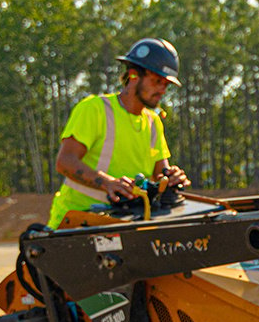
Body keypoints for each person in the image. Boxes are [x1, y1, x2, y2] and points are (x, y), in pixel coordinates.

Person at [46, 38, 190, 228]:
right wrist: (108, 183)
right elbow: (65, 162)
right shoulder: (95, 109)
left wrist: (171, 177)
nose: (162, 90)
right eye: (157, 81)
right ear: (133, 75)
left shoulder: (153, 122)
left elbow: (159, 174)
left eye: (166, 84)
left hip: (125, 224)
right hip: (76, 222)